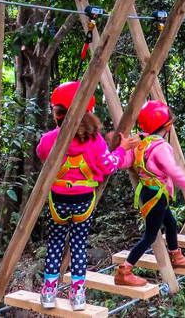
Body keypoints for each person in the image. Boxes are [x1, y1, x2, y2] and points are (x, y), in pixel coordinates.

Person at [37, 81, 138, 311]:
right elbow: (108, 167)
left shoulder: (50, 139)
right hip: (83, 202)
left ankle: (48, 292)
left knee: (54, 244)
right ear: (88, 112)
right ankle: (78, 295)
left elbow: (40, 152)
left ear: (59, 114)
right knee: (79, 246)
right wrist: (122, 149)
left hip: (58, 202)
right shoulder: (96, 142)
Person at [115, 100, 185, 286]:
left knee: (170, 223)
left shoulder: (140, 144)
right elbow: (172, 169)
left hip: (151, 194)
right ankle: (125, 270)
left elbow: (123, 163)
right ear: (168, 126)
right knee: (150, 236)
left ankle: (176, 256)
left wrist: (121, 148)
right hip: (156, 196)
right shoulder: (161, 147)